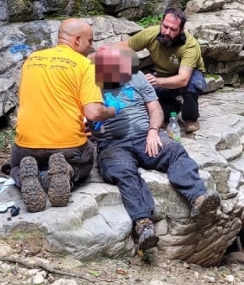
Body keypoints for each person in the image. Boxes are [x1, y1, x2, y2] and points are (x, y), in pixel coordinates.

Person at [91, 47, 221, 252]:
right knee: (122, 171)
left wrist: (153, 130)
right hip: (113, 143)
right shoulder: (90, 83)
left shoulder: (136, 76)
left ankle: (198, 198)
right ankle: (143, 224)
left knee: (174, 150)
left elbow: (155, 109)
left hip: (145, 135)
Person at [11, 19, 118, 212]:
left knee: (15, 166)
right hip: (67, 146)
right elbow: (93, 113)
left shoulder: (32, 60)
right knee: (87, 159)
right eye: (90, 41)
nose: (91, 46)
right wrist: (111, 110)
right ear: (77, 40)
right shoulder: (84, 64)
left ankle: (27, 174)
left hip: (27, 144)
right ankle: (67, 171)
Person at [116, 8, 207, 133]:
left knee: (193, 85)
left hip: (189, 76)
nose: (167, 32)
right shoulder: (150, 34)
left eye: (173, 29)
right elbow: (122, 46)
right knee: (140, 94)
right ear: (161, 22)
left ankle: (190, 118)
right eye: (165, 26)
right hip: (163, 76)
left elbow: (183, 79)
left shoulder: (190, 45)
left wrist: (157, 81)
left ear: (182, 29)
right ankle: (172, 107)